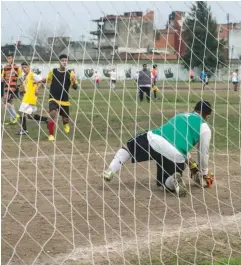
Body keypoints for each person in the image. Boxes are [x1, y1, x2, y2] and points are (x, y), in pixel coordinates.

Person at [102, 101, 213, 197]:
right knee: (164, 184)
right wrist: (204, 173)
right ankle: (173, 180)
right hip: (176, 155)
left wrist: (192, 164)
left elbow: (172, 138)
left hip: (155, 140)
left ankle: (110, 171)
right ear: (207, 115)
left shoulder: (181, 115)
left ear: (194, 109)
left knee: (129, 148)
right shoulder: (205, 127)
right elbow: (203, 153)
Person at [38, 54, 78, 141]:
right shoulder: (53, 71)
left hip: (64, 100)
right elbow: (47, 79)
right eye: (62, 60)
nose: (64, 62)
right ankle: (51, 135)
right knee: (52, 114)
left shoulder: (70, 73)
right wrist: (38, 82)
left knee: (65, 118)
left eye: (66, 61)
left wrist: (74, 81)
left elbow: (75, 87)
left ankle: (65, 123)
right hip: (53, 98)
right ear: (59, 62)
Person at [17, 62, 48, 135]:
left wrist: (37, 88)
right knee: (29, 115)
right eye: (23, 68)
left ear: (29, 67)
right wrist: (22, 90)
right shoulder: (25, 77)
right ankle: (46, 119)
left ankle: (24, 130)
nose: (24, 69)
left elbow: (43, 80)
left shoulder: (32, 74)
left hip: (30, 97)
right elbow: (26, 87)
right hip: (27, 97)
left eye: (25, 67)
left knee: (22, 113)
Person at [1, 53, 22, 125]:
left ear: (13, 59)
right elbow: (2, 77)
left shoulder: (17, 67)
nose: (9, 59)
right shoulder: (5, 67)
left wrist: (20, 86)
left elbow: (20, 77)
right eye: (8, 58)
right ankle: (11, 119)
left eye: (10, 58)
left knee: (5, 101)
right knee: (10, 102)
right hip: (6, 87)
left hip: (12, 87)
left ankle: (16, 115)